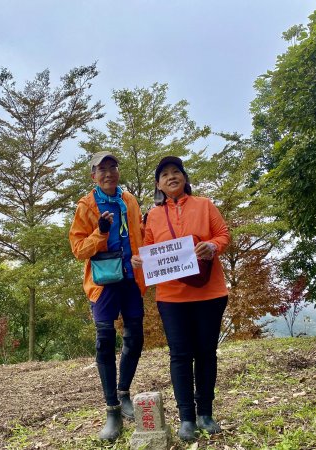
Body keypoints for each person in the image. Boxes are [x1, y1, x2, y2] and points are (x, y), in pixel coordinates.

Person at [131, 156, 230, 442]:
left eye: (176, 171)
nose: (171, 176)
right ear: (158, 185)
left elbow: (223, 235)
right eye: (165, 174)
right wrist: (140, 260)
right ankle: (187, 417)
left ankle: (205, 414)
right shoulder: (153, 215)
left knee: (206, 353)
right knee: (180, 355)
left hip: (210, 292)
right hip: (171, 297)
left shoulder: (205, 205)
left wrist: (212, 245)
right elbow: (149, 250)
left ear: (185, 178)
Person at [69, 151, 147, 441]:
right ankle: (112, 411)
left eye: (112, 167)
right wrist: (100, 233)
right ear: (93, 176)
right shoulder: (87, 206)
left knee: (135, 338)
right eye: (102, 169)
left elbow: (139, 233)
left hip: (130, 279)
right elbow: (79, 250)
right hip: (103, 283)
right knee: (104, 342)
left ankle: (124, 392)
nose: (109, 173)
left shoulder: (129, 201)